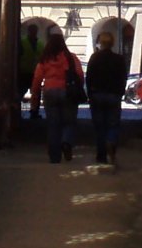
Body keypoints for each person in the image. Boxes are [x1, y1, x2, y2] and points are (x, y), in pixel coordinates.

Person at [30, 28, 81, 163]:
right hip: (67, 92)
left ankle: (54, 156)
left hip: (50, 92)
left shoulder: (45, 60)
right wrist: (77, 88)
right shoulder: (71, 57)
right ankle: (66, 141)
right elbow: (80, 74)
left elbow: (37, 79)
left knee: (53, 124)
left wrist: (35, 96)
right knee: (69, 122)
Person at [85, 25, 129, 167]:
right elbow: (123, 77)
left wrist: (90, 94)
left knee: (99, 126)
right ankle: (111, 141)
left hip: (97, 94)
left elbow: (89, 77)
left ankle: (101, 155)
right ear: (112, 43)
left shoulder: (95, 58)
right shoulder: (119, 59)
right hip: (113, 95)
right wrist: (120, 92)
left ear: (101, 43)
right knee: (113, 123)